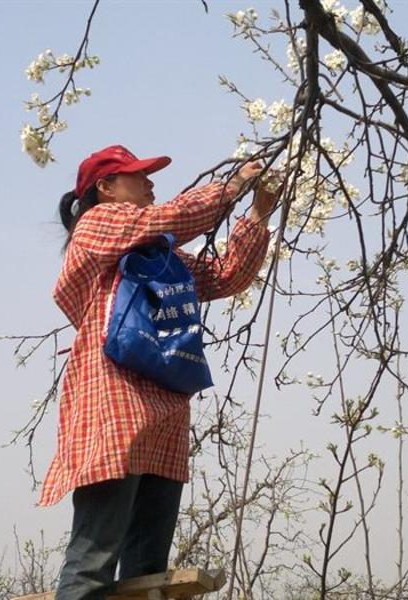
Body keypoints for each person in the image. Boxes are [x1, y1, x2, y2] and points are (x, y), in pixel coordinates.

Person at [42, 145, 277, 600]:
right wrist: (231, 188)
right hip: (112, 407)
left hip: (165, 415)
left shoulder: (159, 253)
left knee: (147, 570)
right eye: (138, 176)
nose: (150, 183)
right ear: (105, 189)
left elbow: (225, 276)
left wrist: (258, 213)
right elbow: (161, 220)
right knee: (93, 561)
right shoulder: (98, 226)